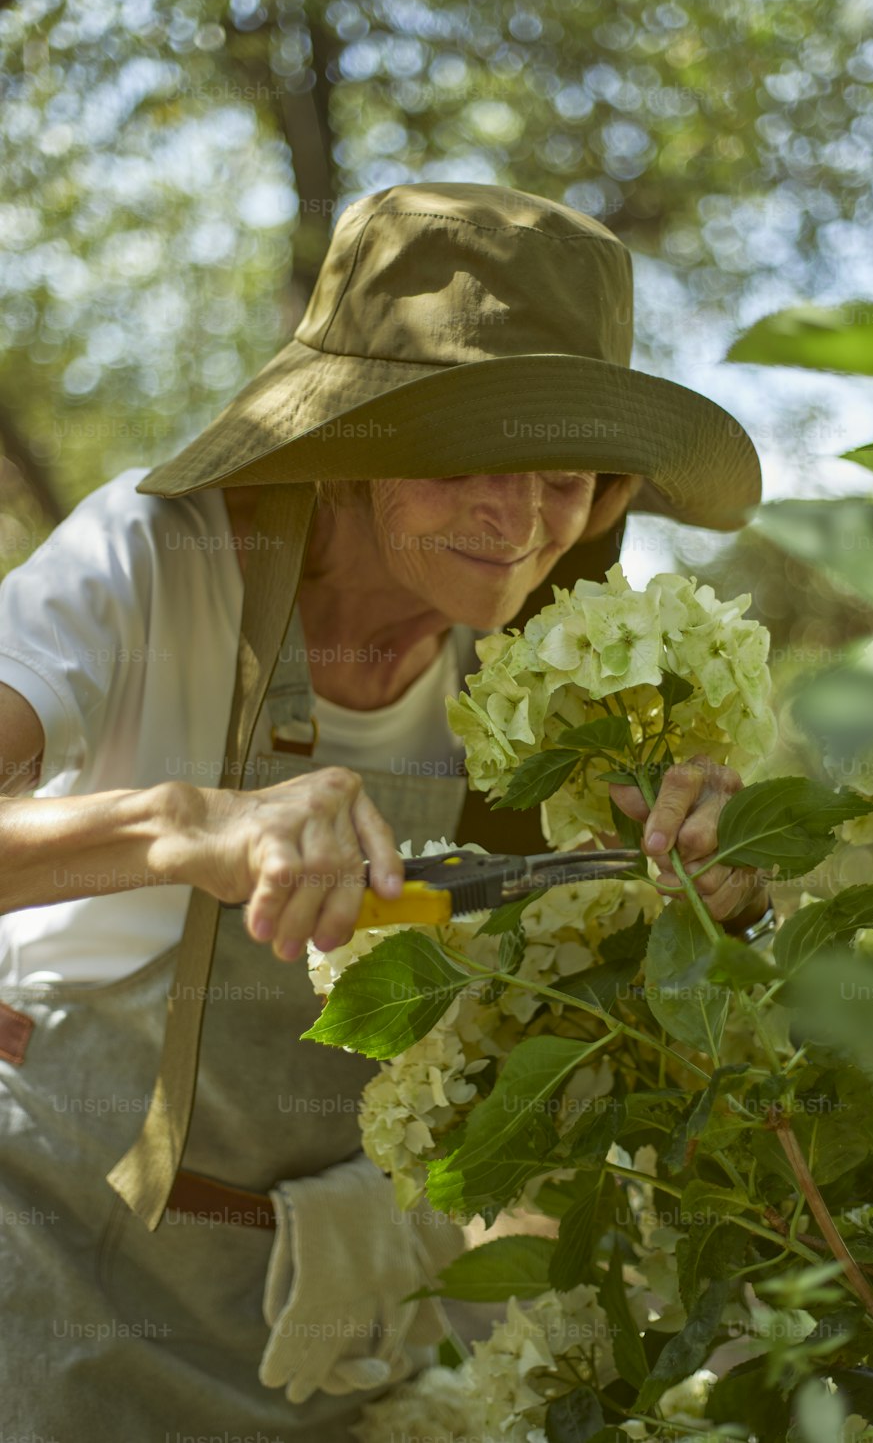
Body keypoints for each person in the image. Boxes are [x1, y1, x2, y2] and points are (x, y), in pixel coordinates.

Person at [0, 181, 772, 1438]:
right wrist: (179, 827)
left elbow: (603, 1030)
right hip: (53, 1266)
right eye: (473, 455)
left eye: (565, 473)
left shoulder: (558, 679)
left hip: (338, 1299)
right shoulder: (155, 558)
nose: (520, 523)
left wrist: (708, 891)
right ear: (350, 444)